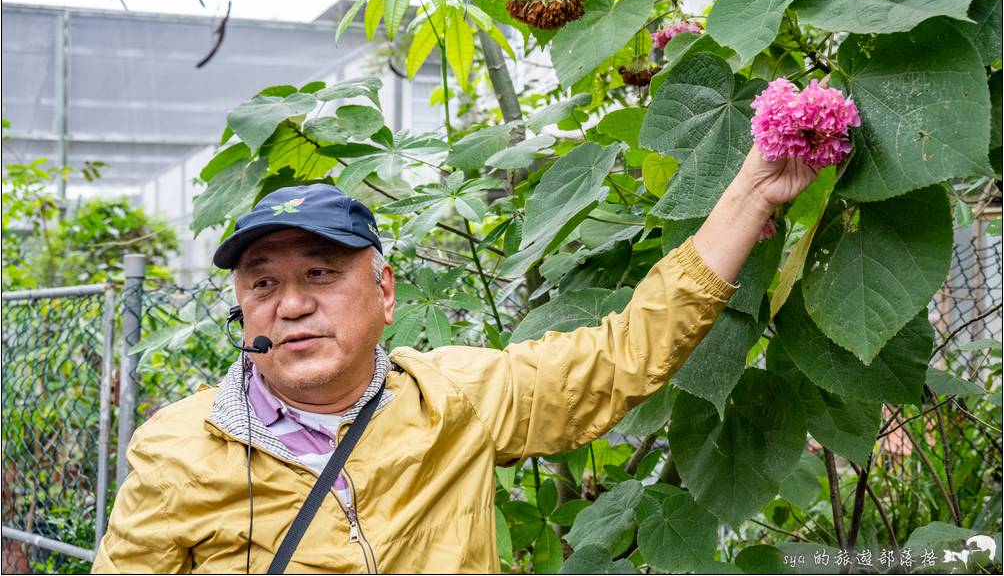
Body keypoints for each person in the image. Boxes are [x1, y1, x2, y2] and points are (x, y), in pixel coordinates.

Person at [92, 145, 818, 574]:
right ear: (243, 311)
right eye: (263, 283)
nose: (291, 304)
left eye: (320, 274)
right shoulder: (178, 448)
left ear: (384, 291)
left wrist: (753, 191)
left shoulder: (457, 394)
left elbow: (626, 354)